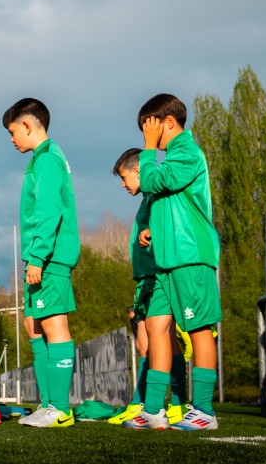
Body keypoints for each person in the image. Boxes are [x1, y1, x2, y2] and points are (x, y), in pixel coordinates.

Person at [123, 94, 221, 431]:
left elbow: (151, 181)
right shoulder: (172, 158)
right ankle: (153, 410)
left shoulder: (187, 152)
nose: (146, 136)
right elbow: (169, 200)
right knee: (155, 327)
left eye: (149, 128)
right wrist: (152, 229)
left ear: (167, 122)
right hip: (166, 261)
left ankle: (204, 411)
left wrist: (148, 147)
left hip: (189, 256)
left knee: (198, 328)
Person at [2, 98, 80, 429]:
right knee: (33, 325)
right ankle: (48, 403)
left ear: (27, 125)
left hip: (49, 257)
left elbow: (49, 211)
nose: (11, 139)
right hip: (40, 256)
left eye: (12, 132)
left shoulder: (47, 158)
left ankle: (60, 409)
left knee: (53, 324)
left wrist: (37, 257)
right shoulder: (41, 158)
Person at [106, 148, 189, 427]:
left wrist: (153, 234)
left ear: (137, 170)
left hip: (157, 276)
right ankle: (158, 404)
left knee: (155, 339)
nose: (122, 184)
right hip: (146, 277)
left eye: (124, 177)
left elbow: (171, 222)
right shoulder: (147, 198)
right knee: (154, 341)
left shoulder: (156, 193)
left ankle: (163, 405)